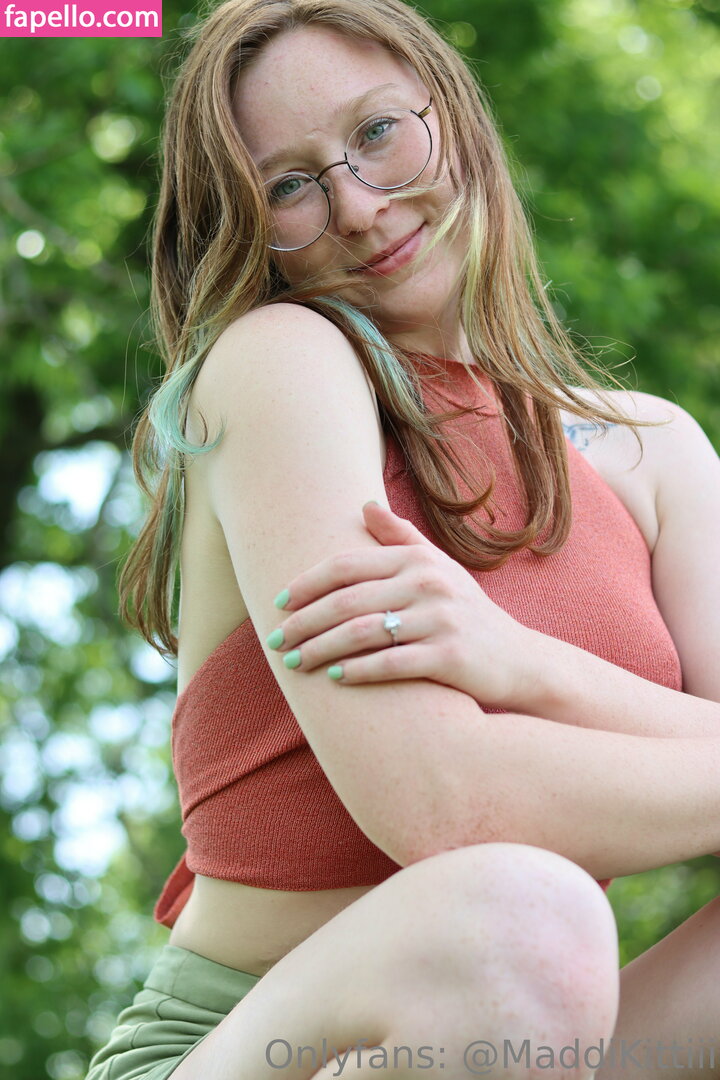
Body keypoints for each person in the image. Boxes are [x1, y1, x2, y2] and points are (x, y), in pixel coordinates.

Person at [85, 0, 720, 1077]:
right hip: (261, 1044)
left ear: (452, 113)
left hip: (531, 1040)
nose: (358, 206)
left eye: (377, 132)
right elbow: (444, 803)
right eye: (290, 186)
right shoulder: (280, 362)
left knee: (526, 940)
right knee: (520, 922)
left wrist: (523, 664)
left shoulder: (654, 450)